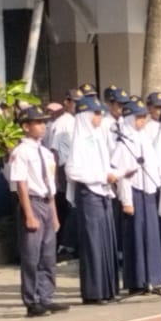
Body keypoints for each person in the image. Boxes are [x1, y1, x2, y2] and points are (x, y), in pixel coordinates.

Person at [8, 105, 67, 317]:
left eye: (44, 122)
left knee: (48, 255)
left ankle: (46, 296)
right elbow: (21, 184)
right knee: (31, 255)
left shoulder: (46, 152)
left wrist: (54, 214)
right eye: (38, 123)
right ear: (26, 126)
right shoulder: (21, 152)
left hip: (46, 203)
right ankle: (32, 301)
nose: (43, 126)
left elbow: (50, 186)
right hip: (31, 203)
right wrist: (29, 215)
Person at [64, 94, 120, 304]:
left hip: (103, 192)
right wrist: (101, 177)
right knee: (93, 244)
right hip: (89, 194)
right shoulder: (79, 140)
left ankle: (108, 288)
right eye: (96, 113)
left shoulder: (97, 137)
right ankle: (93, 291)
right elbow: (72, 171)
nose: (99, 117)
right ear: (85, 115)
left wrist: (113, 174)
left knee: (106, 241)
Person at [114, 100, 161, 294]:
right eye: (138, 117)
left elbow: (152, 166)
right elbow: (122, 174)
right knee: (136, 237)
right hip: (134, 192)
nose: (141, 121)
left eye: (143, 117)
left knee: (151, 236)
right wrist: (126, 200)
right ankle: (137, 280)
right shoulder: (124, 141)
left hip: (149, 192)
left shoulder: (144, 137)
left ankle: (153, 278)